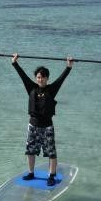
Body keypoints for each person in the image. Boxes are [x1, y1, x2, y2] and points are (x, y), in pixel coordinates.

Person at [11, 53, 74, 186]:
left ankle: (51, 175)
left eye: (42, 77)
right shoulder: (31, 88)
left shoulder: (51, 89)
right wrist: (15, 63)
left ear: (47, 78)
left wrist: (68, 67)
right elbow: (22, 76)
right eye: (38, 77)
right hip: (33, 125)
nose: (40, 79)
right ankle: (31, 172)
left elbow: (61, 79)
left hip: (47, 126)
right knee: (30, 150)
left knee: (51, 151)